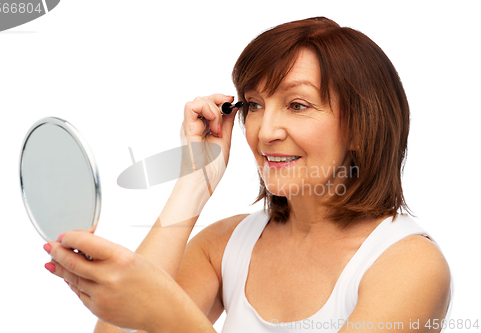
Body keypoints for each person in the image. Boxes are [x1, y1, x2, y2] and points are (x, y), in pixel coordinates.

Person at [42, 17, 452, 332]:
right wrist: (193, 184)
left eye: (298, 105)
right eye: (254, 104)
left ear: (362, 125)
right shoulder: (226, 246)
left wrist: (171, 315)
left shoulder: (410, 265)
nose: (265, 132)